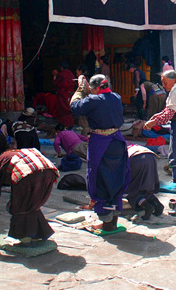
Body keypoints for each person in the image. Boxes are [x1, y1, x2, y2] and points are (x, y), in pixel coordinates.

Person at [70, 74, 130, 232]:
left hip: (101, 143)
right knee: (116, 178)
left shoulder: (93, 101)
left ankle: (107, 223)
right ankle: (113, 220)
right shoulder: (116, 97)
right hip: (117, 141)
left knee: (100, 179)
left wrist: (80, 89)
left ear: (94, 88)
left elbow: (74, 107)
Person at [0, 148, 59, 245]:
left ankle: (25, 237)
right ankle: (36, 233)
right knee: (32, 204)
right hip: (49, 170)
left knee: (19, 206)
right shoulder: (9, 155)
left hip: (29, 172)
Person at [125, 145, 164, 219]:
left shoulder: (120, 149)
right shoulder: (130, 145)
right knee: (147, 187)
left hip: (135, 158)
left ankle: (147, 206)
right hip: (150, 156)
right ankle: (157, 205)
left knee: (133, 190)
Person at [52, 60, 76, 127]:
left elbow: (55, 84)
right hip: (70, 94)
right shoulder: (71, 74)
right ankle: (70, 123)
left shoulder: (61, 74)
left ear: (61, 68)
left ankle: (64, 124)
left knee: (63, 110)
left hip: (63, 95)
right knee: (69, 109)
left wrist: (54, 76)